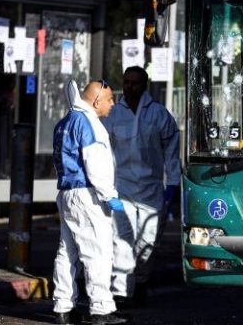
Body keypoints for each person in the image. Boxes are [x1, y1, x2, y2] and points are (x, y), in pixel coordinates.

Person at [51, 79, 128, 325]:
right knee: (98, 253)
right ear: (96, 101)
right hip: (88, 195)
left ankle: (63, 307)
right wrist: (110, 195)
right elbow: (96, 164)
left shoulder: (64, 122)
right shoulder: (89, 124)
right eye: (109, 99)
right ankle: (101, 311)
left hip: (66, 192)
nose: (113, 104)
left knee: (67, 252)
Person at [103, 66, 181, 305]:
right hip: (121, 189)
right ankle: (124, 291)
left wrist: (174, 182)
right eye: (126, 82)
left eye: (134, 83)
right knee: (122, 239)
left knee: (148, 243)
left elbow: (171, 151)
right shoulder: (113, 115)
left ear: (144, 85)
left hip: (152, 190)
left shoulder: (159, 114)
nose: (129, 87)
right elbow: (103, 150)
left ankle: (142, 279)